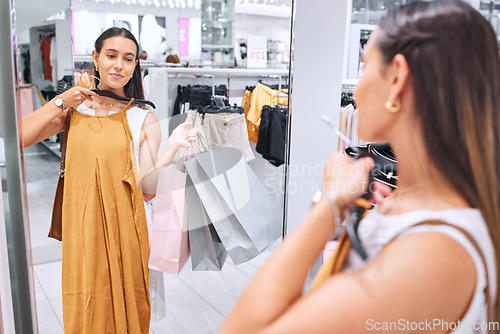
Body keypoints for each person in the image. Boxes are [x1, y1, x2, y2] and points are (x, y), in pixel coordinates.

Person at [221, 1, 500, 333]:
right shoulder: (421, 213)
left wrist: (329, 204)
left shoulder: (434, 254)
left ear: (397, 77)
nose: (356, 87)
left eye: (366, 66)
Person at [20, 27, 199, 333]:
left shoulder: (143, 117)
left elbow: (147, 189)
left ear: (135, 67)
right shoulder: (74, 113)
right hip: (82, 227)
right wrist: (61, 101)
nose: (119, 65)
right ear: (96, 58)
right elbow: (18, 137)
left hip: (127, 231)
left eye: (128, 59)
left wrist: (169, 151)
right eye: (111, 55)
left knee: (125, 312)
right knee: (86, 304)